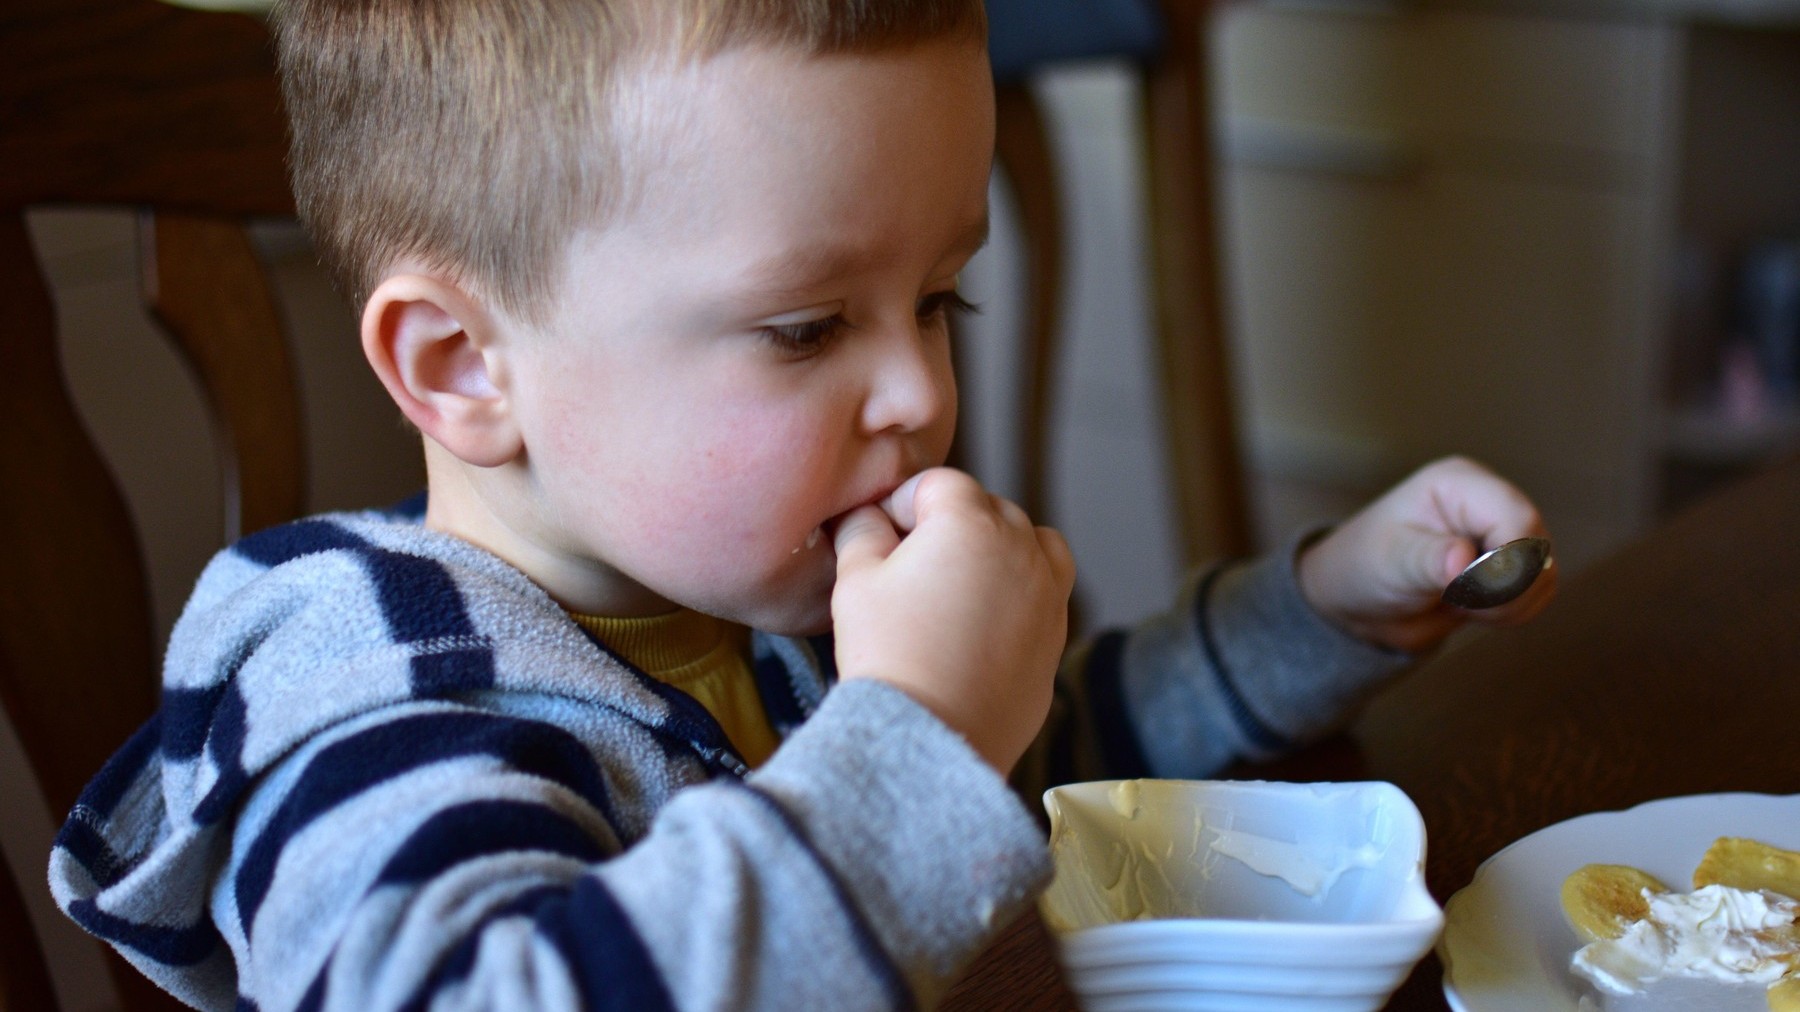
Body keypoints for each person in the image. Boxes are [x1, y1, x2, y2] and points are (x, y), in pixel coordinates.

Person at [47, 1, 1555, 1009]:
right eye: (805, 329)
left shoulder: (746, 586)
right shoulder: (369, 690)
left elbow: (1049, 783)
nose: (915, 392)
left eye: (939, 297)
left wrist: (1321, 607)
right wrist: (918, 738)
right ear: (462, 369)